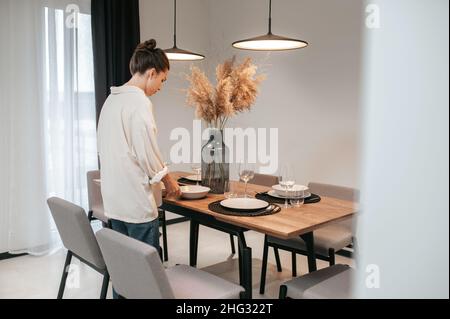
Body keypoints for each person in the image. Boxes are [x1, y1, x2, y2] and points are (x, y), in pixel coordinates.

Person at [97, 39, 181, 263]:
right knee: (146, 276)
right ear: (151, 73)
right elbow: (147, 152)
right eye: (162, 80)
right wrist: (170, 182)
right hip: (136, 207)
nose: (161, 87)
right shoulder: (139, 102)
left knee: (124, 271)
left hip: (114, 203)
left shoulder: (111, 100)